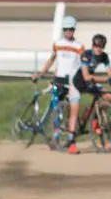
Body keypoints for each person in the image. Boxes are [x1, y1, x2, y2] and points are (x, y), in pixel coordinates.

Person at [32, 15, 84, 150]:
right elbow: (51, 60)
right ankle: (56, 137)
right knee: (57, 109)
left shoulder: (79, 46)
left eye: (71, 29)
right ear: (63, 30)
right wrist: (40, 73)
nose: (68, 32)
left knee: (71, 111)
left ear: (74, 29)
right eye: (66, 29)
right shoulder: (57, 44)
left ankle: (70, 140)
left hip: (72, 82)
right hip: (59, 81)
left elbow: (82, 66)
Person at [67, 34, 111, 153]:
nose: (98, 48)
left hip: (89, 83)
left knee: (109, 96)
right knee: (75, 110)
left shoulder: (104, 56)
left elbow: (110, 72)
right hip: (77, 83)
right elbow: (86, 76)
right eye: (96, 46)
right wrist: (106, 80)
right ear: (92, 45)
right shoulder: (86, 55)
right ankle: (71, 143)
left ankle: (95, 117)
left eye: (101, 46)